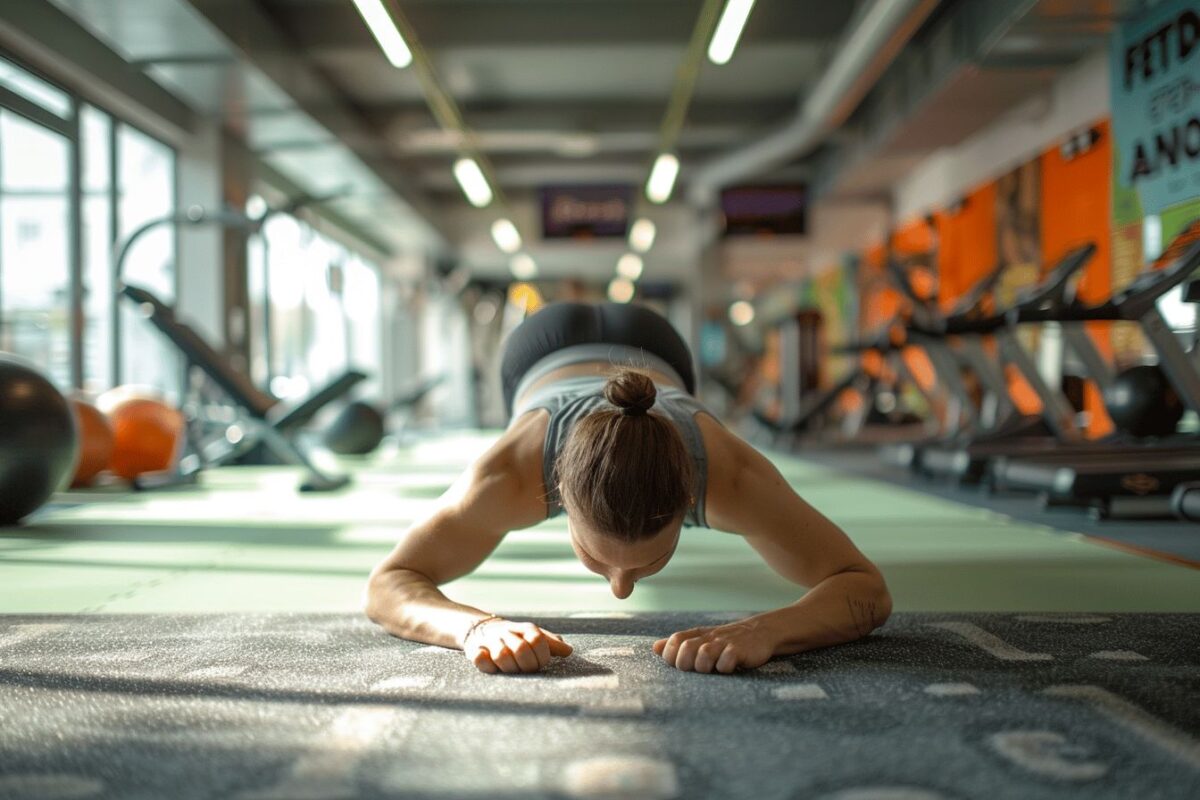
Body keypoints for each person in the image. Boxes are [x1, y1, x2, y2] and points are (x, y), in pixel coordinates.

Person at [365, 302, 891, 675]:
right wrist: (474, 628)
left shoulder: (729, 476)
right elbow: (388, 583)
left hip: (656, 346)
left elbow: (867, 588)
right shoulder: (511, 473)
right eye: (598, 561)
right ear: (558, 495)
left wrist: (766, 631)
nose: (621, 589)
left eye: (648, 564)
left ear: (693, 497)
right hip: (539, 350)